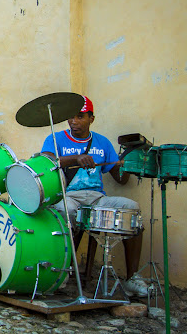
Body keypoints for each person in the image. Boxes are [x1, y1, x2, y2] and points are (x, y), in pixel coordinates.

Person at [41, 96, 148, 298]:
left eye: (80, 117)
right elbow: (46, 163)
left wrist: (126, 165)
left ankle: (131, 279)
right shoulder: (56, 139)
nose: (74, 121)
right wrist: (75, 158)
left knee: (131, 207)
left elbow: (120, 180)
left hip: (97, 198)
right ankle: (61, 272)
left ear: (91, 118)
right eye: (71, 117)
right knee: (66, 210)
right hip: (68, 195)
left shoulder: (102, 142)